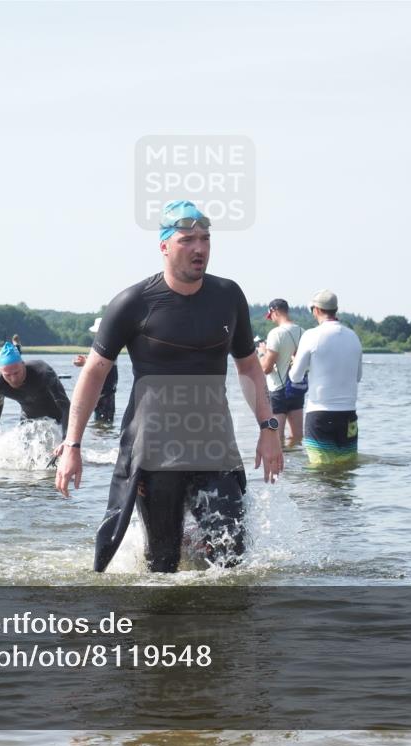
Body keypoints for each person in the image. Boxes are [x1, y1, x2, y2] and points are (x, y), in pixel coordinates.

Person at [54, 199, 283, 573]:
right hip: (153, 452)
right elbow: (94, 372)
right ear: (163, 246)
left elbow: (249, 367)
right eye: (187, 240)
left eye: (205, 239)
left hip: (215, 446)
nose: (199, 248)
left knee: (232, 557)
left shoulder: (228, 297)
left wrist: (268, 427)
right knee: (163, 563)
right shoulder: (134, 302)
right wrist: (73, 445)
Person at [288, 290, 363, 467]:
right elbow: (358, 377)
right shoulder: (354, 337)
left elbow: (295, 377)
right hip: (348, 415)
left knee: (320, 471)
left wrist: (295, 362)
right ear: (335, 310)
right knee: (346, 468)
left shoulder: (311, 336)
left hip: (320, 414)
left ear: (316, 310)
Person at [0, 341, 70, 439]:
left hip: (57, 421)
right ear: (0, 371)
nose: (13, 379)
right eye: (8, 375)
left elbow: (66, 407)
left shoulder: (43, 373)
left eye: (16, 373)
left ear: (23, 364)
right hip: (28, 423)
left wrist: (66, 439)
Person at [258, 298, 304, 448]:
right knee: (297, 437)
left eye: (270, 315)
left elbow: (266, 368)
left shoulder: (275, 334)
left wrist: (261, 353)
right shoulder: (302, 332)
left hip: (278, 390)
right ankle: (295, 468)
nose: (270, 319)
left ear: (275, 312)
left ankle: (281, 469)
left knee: (276, 438)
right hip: (296, 389)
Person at [73, 317, 119, 423]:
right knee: (102, 422)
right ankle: (102, 438)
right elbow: (97, 361)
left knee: (102, 422)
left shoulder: (108, 344)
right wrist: (85, 360)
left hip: (105, 393)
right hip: (103, 392)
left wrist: (84, 362)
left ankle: (101, 438)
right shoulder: (104, 344)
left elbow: (101, 363)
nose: (96, 335)